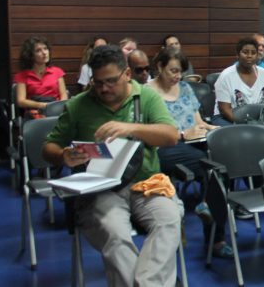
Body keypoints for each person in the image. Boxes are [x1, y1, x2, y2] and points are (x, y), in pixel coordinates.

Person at [42, 45, 181, 286]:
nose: (104, 88)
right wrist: (64, 155)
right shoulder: (79, 105)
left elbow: (170, 136)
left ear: (127, 74)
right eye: (98, 83)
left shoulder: (146, 97)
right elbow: (48, 147)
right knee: (114, 234)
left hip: (146, 184)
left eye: (110, 81)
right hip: (100, 190)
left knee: (169, 220)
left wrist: (132, 128)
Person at [146, 49, 231, 258]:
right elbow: (150, 131)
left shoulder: (184, 88)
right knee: (213, 169)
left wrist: (211, 129)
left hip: (194, 141)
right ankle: (216, 237)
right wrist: (183, 134)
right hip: (166, 146)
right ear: (159, 67)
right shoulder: (147, 92)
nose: (177, 76)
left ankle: (211, 219)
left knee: (223, 165)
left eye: (180, 72)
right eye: (173, 71)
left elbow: (199, 121)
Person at [213, 37, 264, 126]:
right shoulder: (226, 76)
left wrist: (261, 123)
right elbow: (224, 110)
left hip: (256, 119)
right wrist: (246, 126)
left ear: (257, 56)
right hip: (226, 118)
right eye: (245, 52)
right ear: (237, 55)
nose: (249, 56)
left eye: (253, 53)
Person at [14, 36, 68, 117]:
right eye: (38, 50)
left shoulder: (57, 72)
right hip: (34, 111)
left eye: (45, 49)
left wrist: (57, 108)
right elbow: (21, 101)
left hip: (55, 110)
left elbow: (64, 96)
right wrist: (43, 105)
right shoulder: (22, 76)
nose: (44, 53)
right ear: (30, 55)